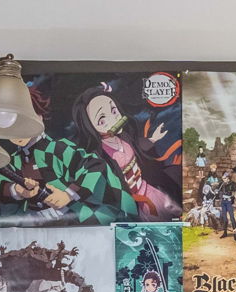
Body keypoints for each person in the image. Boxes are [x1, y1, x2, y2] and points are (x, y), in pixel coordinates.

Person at [69, 81, 179, 219]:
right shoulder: (98, 155)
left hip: (149, 191)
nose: (114, 119)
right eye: (102, 120)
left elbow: (137, 147)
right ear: (90, 126)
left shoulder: (124, 137)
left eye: (114, 111)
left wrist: (153, 139)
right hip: (130, 204)